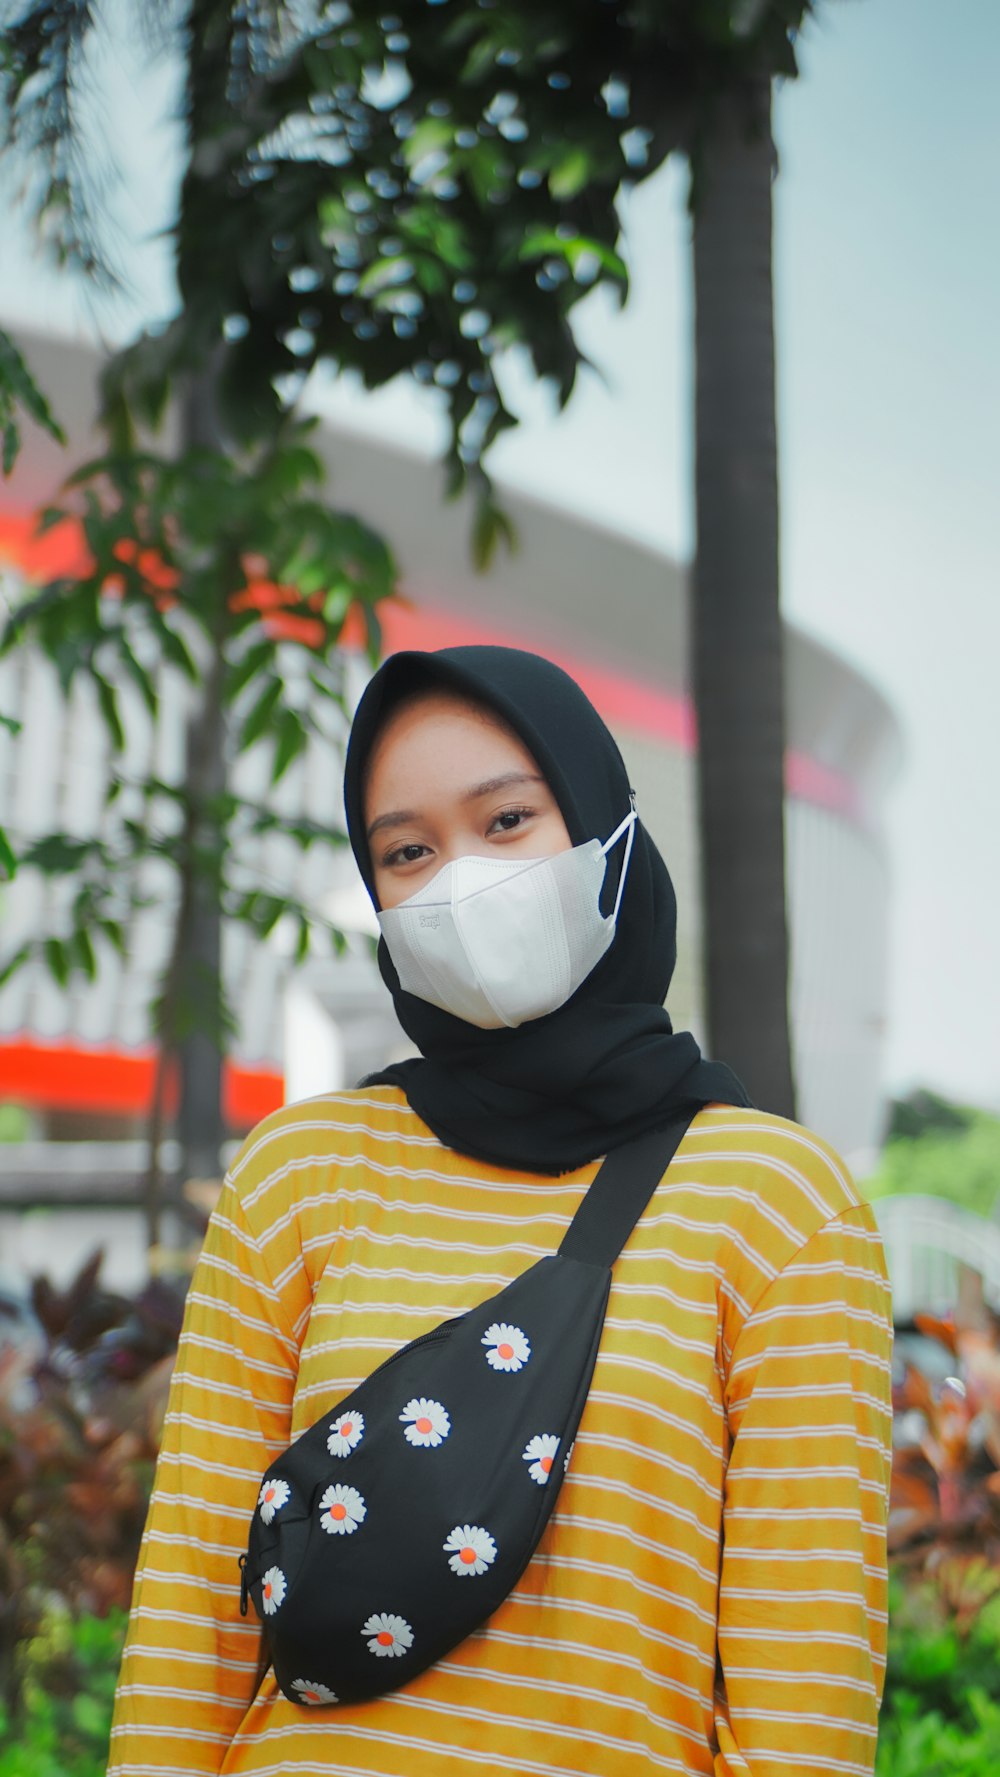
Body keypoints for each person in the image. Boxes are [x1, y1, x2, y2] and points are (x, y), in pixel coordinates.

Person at [109, 645, 893, 1776]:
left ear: (607, 836)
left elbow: (800, 1703)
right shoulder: (300, 1173)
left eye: (510, 820)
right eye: (408, 850)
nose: (460, 881)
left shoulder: (777, 1207)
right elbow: (193, 1619)